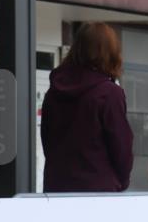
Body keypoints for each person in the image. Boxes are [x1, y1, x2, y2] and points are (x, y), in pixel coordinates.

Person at [41, 22, 134, 192]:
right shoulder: (109, 94)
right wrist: (121, 182)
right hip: (98, 192)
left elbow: (47, 141)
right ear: (111, 53)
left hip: (56, 188)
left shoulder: (53, 92)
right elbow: (121, 147)